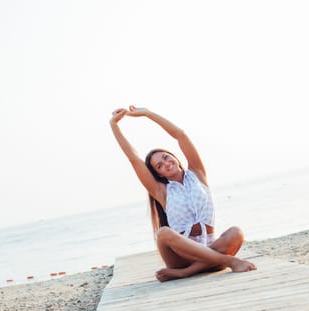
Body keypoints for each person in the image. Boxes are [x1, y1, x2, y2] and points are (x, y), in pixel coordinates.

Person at [110, 105, 257, 282]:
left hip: (210, 248)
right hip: (180, 257)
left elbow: (180, 135)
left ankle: (188, 272)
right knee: (164, 233)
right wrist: (114, 125)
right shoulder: (162, 191)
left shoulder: (197, 174)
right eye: (159, 166)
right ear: (159, 174)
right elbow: (133, 159)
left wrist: (147, 114)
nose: (165, 164)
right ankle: (226, 261)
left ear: (174, 157)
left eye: (166, 157)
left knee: (236, 232)